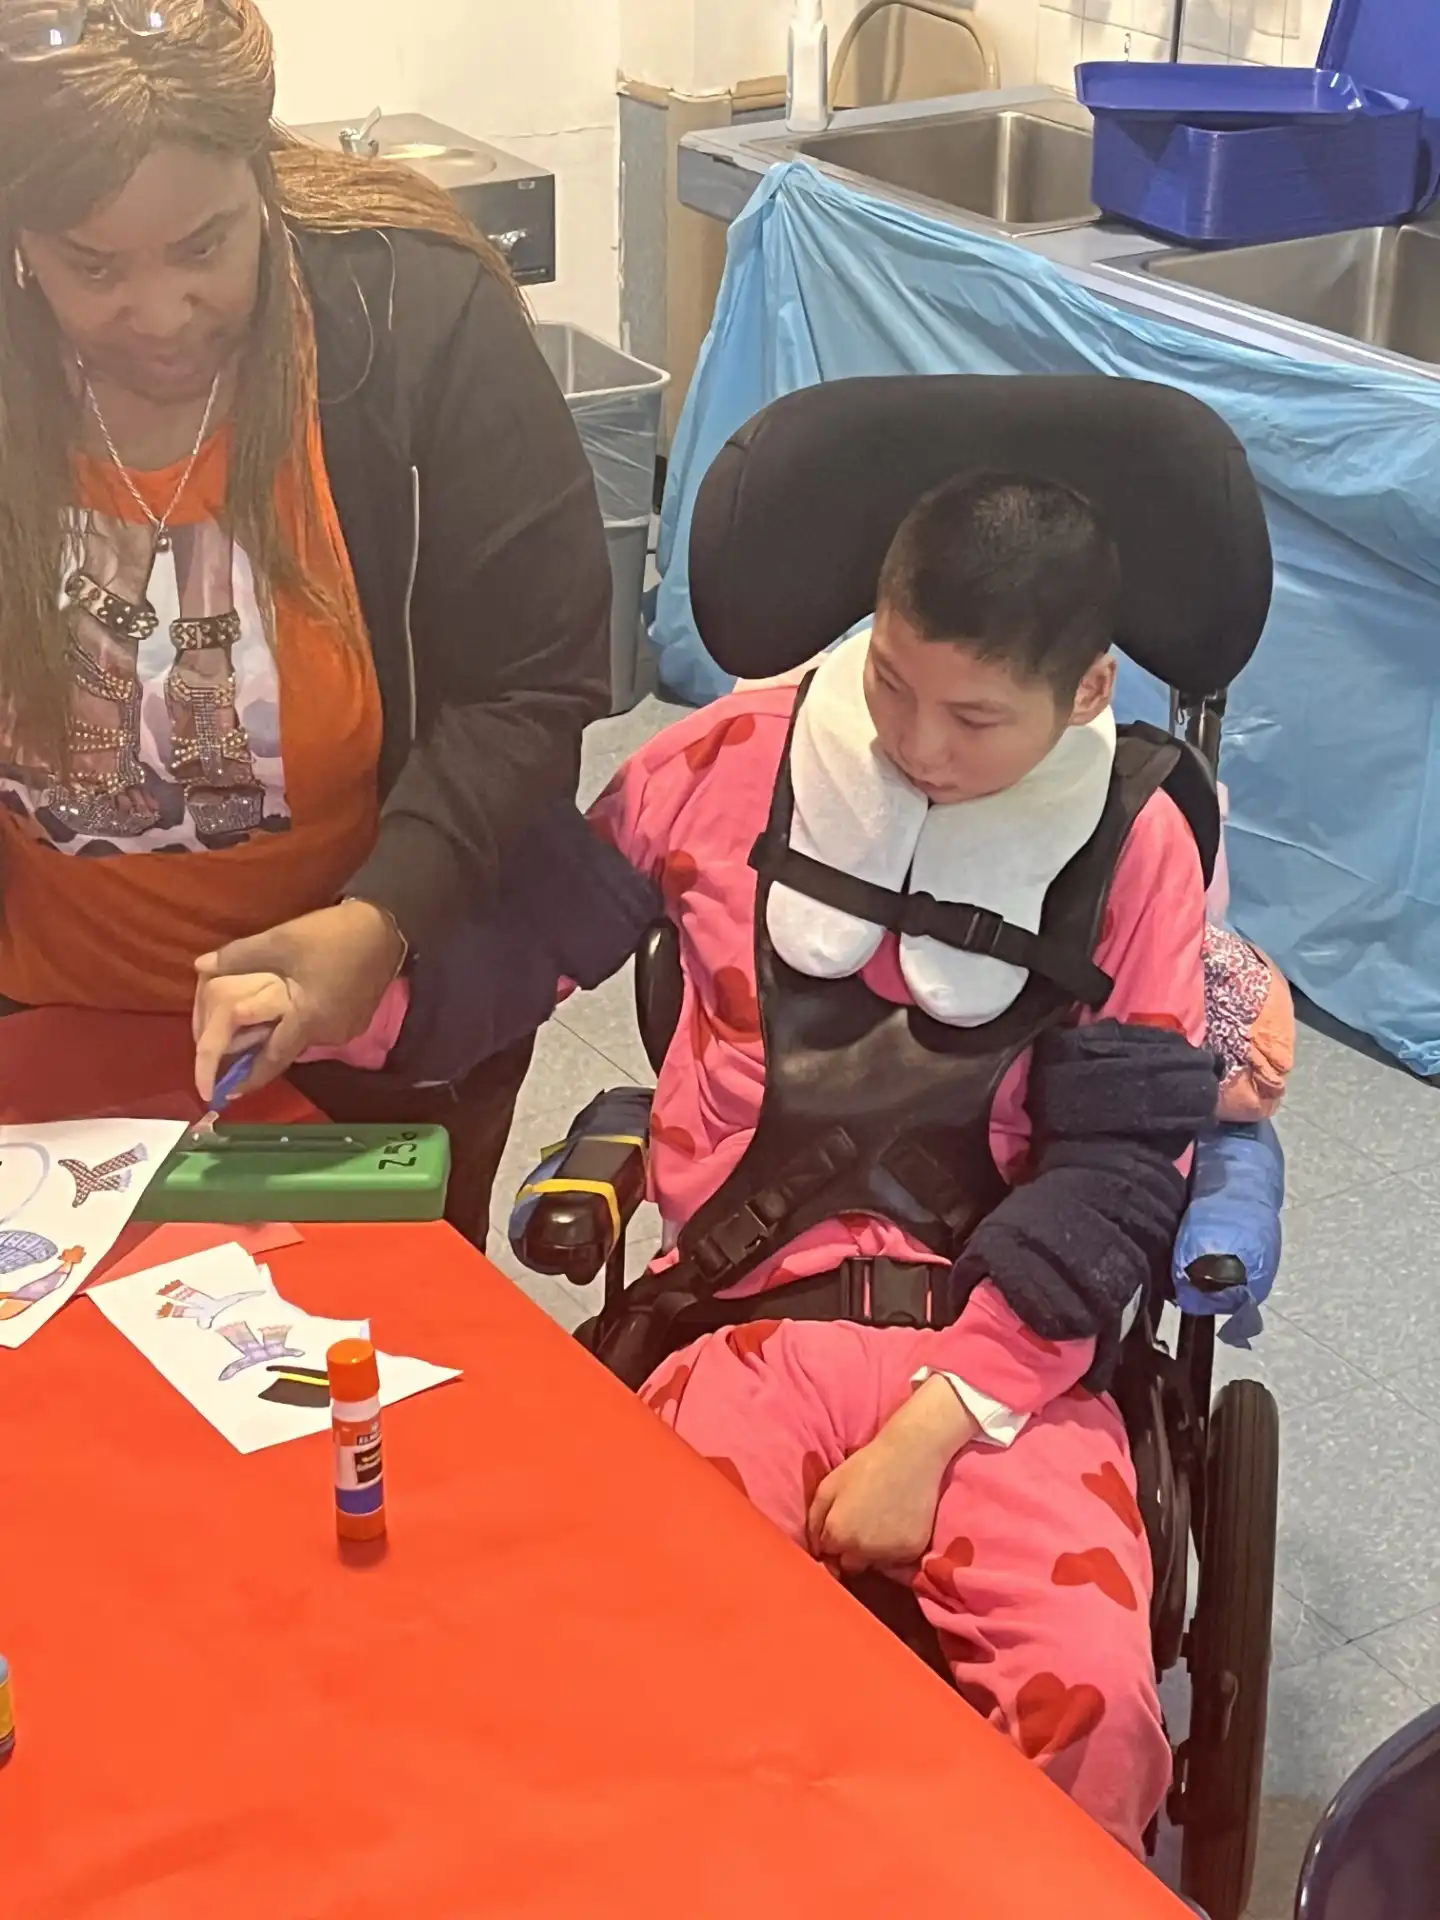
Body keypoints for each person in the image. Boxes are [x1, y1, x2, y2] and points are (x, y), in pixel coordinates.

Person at [566, 474, 1217, 1855]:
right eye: (892, 685)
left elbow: (1115, 1179)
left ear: (1088, 692)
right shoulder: (731, 757)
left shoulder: (1141, 852)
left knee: (1099, 1710)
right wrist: (354, 977)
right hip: (744, 1327)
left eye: (975, 718)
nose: (918, 745)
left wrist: (933, 1431)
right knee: (647, 1651)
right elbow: (532, 926)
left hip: (1007, 1363)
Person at [0, 0, 611, 1241]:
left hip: (370, 1035)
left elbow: (532, 687)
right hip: (39, 1040)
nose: (161, 313)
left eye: (204, 246)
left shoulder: (414, 319)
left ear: (262, 180)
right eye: (93, 268)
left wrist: (381, 920)